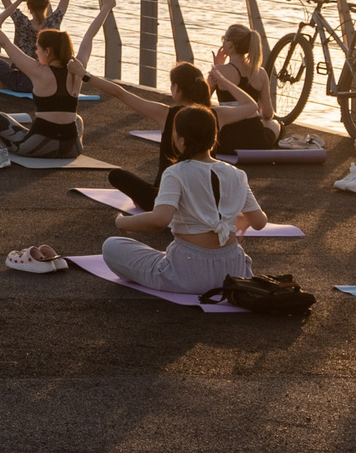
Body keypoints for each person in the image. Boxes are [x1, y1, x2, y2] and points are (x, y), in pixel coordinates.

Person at [100, 105, 268, 298]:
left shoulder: (176, 172)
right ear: (214, 138)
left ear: (180, 139)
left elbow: (159, 220)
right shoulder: (237, 174)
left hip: (187, 273)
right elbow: (260, 222)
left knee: (111, 246)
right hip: (234, 272)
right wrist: (242, 217)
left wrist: (122, 222)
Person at [93, 64, 267, 210]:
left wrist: (85, 75)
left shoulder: (165, 114)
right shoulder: (217, 115)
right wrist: (223, 81)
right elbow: (252, 106)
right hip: (203, 201)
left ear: (176, 88)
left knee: (116, 175)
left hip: (164, 202)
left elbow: (119, 93)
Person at [0, 1, 109, 165]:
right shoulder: (77, 69)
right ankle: (36, 138)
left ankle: (12, 145)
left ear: (48, 51)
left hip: (39, 147)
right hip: (72, 148)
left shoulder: (39, 71)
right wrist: (106, 8)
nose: (35, 51)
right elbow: (89, 37)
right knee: (77, 119)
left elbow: (5, 42)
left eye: (38, 48)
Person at [206, 25, 282, 152]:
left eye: (224, 39)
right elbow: (268, 114)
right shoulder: (261, 73)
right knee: (274, 124)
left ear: (230, 45)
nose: (222, 43)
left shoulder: (219, 71)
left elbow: (200, 100)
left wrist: (217, 67)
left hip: (226, 139)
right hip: (256, 141)